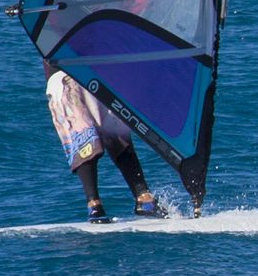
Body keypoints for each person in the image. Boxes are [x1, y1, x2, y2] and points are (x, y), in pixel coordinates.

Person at [47, 66, 170, 223]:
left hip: (93, 72)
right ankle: (97, 204)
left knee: (115, 136)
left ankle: (140, 198)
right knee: (85, 138)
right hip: (68, 76)